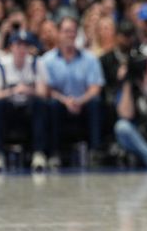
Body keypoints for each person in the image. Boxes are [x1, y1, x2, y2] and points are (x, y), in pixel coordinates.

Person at [40, 16, 105, 167]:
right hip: (60, 103)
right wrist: (65, 101)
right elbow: (46, 90)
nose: (70, 35)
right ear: (58, 33)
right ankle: (54, 153)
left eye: (73, 31)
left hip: (84, 103)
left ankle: (95, 152)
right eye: (66, 31)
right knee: (50, 104)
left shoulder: (90, 59)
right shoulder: (46, 60)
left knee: (96, 102)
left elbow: (95, 88)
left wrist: (79, 101)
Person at [0, 30, 47, 172]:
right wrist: (12, 91)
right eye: (18, 45)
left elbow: (43, 93)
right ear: (11, 47)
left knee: (41, 104)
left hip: (28, 109)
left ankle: (39, 153)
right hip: (9, 109)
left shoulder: (36, 63)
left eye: (25, 46)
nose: (22, 49)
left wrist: (28, 90)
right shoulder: (1, 64)